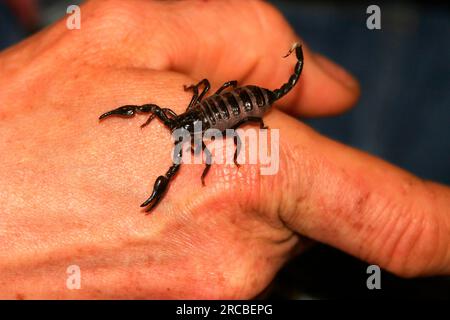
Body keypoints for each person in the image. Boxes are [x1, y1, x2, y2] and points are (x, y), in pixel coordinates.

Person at [0, 0, 448, 299]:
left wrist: (218, 159)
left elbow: (224, 126)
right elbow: (166, 104)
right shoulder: (185, 124)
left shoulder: (199, 133)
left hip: (245, 101)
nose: (174, 134)